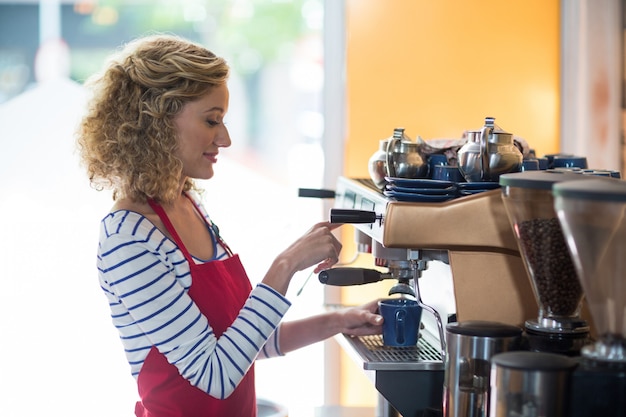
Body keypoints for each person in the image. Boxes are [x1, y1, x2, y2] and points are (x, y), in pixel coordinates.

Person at [76, 34, 383, 417]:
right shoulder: (129, 239)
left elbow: (248, 343)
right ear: (157, 122)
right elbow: (215, 373)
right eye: (211, 120)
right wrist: (285, 265)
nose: (225, 138)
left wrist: (341, 320)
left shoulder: (189, 206)